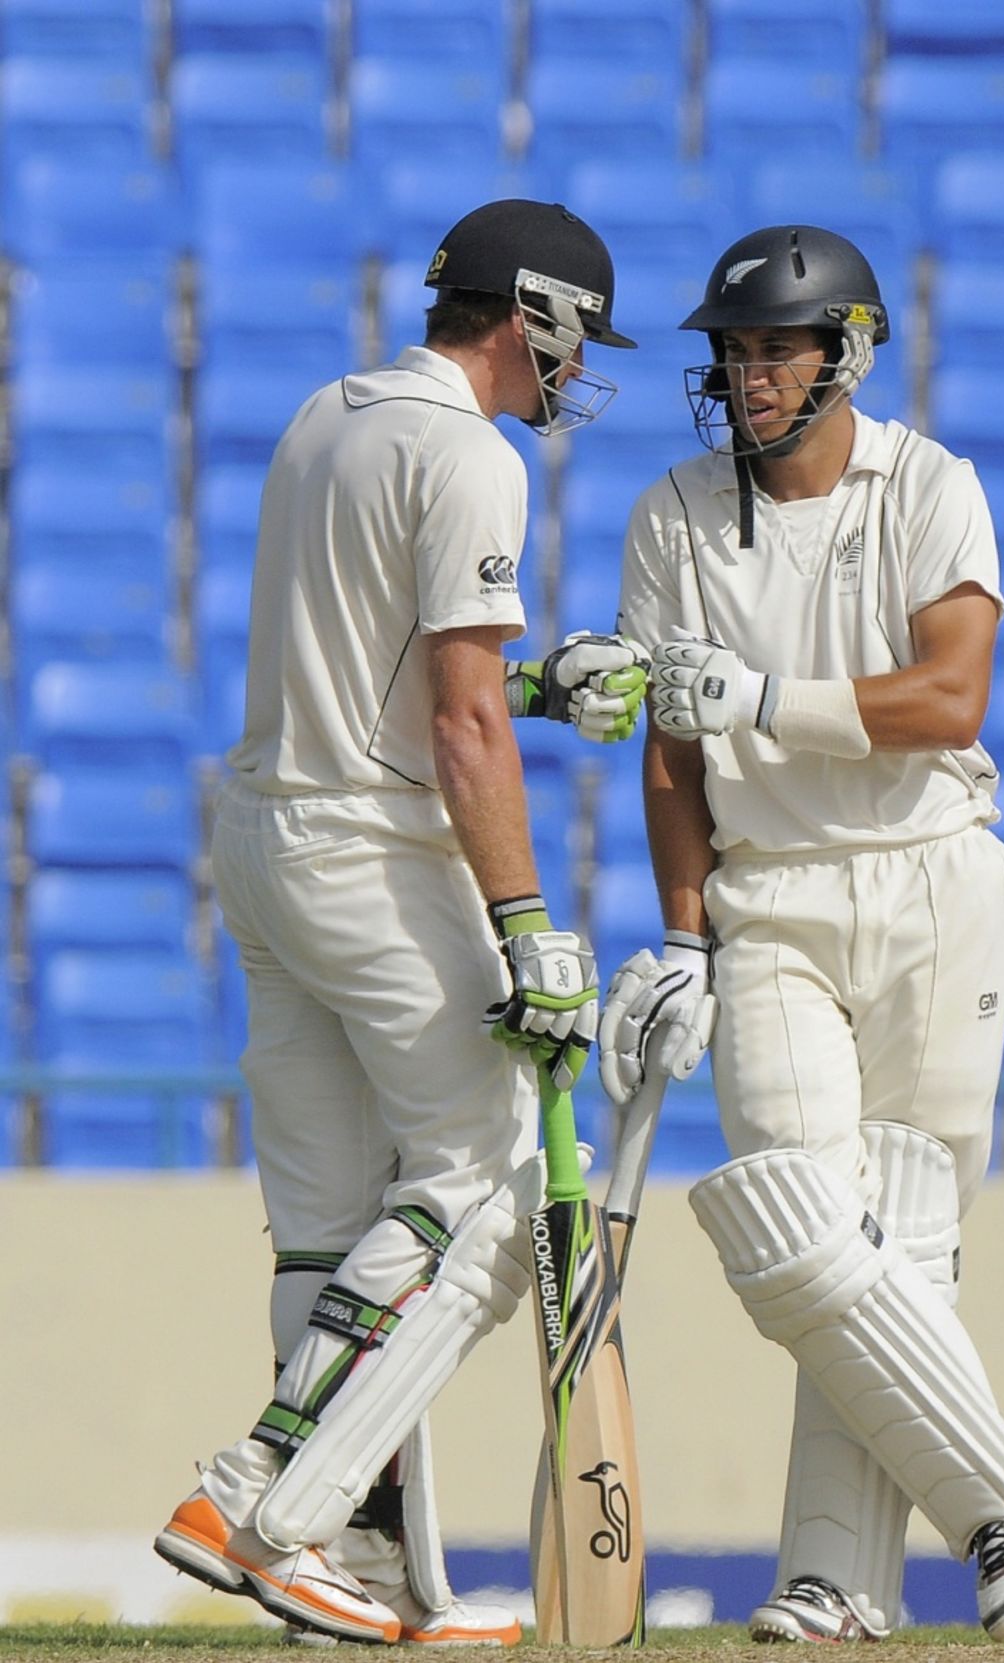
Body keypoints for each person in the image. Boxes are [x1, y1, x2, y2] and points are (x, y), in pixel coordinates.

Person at [153, 199, 645, 1647]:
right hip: (368, 848)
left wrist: (541, 681)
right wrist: (528, 922)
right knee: (487, 1187)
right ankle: (265, 1497)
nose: (574, 372)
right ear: (530, 317)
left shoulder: (328, 415)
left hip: (258, 835)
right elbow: (458, 721)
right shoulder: (471, 455)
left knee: (326, 1225)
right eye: (573, 340)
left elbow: (387, 648)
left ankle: (351, 1576)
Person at [597, 224, 1004, 1643]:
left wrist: (756, 700)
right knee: (799, 1230)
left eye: (775, 349)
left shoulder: (931, 486)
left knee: (900, 1247)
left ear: (843, 354)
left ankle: (836, 1583)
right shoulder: (673, 514)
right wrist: (684, 937)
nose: (749, 375)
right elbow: (665, 753)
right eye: (734, 351)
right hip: (772, 898)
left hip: (933, 881)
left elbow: (950, 702)